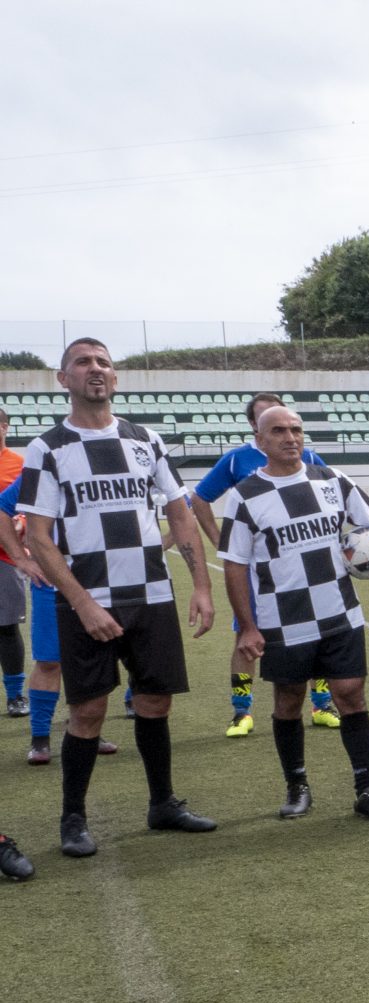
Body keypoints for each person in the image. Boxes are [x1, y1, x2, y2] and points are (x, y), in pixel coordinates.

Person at [15, 338, 217, 858]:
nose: (95, 369)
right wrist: (83, 603)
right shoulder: (47, 448)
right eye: (83, 362)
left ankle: (162, 804)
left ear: (116, 377)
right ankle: (73, 818)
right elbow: (38, 537)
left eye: (103, 362)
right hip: (86, 599)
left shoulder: (146, 439)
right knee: (87, 711)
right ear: (63, 379)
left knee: (155, 701)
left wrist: (200, 585)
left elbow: (179, 513)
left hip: (150, 593)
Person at [220, 406, 369, 821]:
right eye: (278, 431)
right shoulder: (245, 495)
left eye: (296, 429)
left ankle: (367, 790)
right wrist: (249, 627)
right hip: (282, 619)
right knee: (289, 699)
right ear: (260, 441)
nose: (290, 437)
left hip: (340, 612)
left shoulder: (333, 480)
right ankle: (296, 786)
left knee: (351, 694)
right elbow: (235, 565)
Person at [189, 391, 339, 737]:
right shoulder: (236, 460)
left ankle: (321, 704)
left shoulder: (308, 455)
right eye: (267, 418)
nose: (284, 431)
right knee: (247, 635)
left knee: (319, 632)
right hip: (257, 572)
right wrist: (222, 542)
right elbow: (199, 498)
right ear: (254, 426)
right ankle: (241, 712)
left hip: (305, 565)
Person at [0, 472, 119, 765]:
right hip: (50, 582)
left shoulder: (105, 466)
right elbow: (2, 509)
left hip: (99, 580)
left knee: (90, 658)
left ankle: (88, 731)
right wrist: (21, 559)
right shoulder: (42, 468)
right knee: (49, 661)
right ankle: (40, 738)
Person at [0, 409, 26, 717]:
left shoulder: (19, 465)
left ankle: (15, 695)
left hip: (5, 558)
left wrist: (21, 522)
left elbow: (29, 508)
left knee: (5, 627)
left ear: (5, 427)